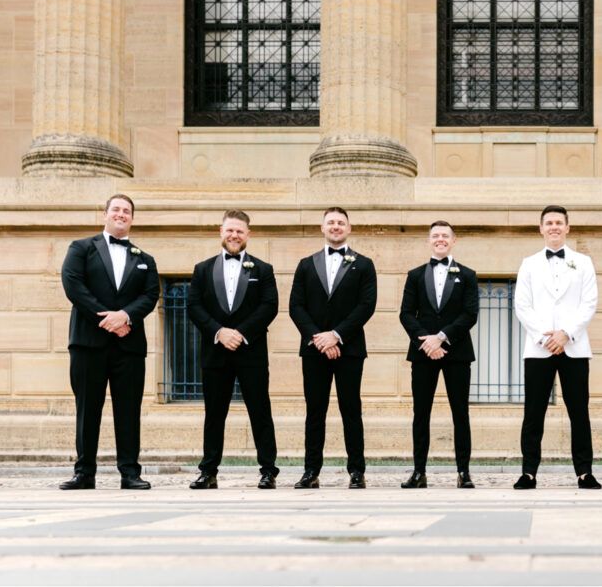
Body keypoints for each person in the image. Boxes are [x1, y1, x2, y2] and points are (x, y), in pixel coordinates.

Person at [59, 194, 160, 490]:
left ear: (132, 218)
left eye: (127, 211)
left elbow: (151, 295)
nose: (121, 214)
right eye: (116, 209)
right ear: (104, 214)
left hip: (128, 346)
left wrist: (126, 316)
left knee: (128, 410)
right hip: (88, 342)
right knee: (87, 408)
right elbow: (73, 284)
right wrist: (109, 320)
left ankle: (130, 472)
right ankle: (84, 472)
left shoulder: (146, 259)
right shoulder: (80, 248)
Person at [187, 210, 279, 489]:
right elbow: (194, 306)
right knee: (214, 414)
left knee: (260, 411)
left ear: (248, 234)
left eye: (240, 231)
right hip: (216, 352)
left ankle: (268, 471)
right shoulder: (202, 269)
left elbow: (269, 306)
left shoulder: (263, 269)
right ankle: (208, 471)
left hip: (251, 351)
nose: (234, 235)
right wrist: (219, 332)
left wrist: (240, 333)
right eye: (230, 230)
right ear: (221, 231)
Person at [512, 205, 600, 490]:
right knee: (533, 412)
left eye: (558, 223)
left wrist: (566, 334)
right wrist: (544, 337)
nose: (554, 227)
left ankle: (584, 472)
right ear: (541, 228)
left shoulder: (583, 262)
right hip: (539, 349)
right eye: (548, 223)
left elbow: (589, 303)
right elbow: (522, 305)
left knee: (579, 412)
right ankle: (528, 472)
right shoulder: (528, 263)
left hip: (574, 347)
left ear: (567, 228)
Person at [289, 207, 377, 489]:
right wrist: (319, 338)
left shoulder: (364, 264)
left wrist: (337, 336)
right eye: (331, 222)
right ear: (322, 228)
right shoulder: (305, 264)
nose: (336, 226)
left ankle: (357, 471)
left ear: (349, 228)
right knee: (315, 410)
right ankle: (311, 471)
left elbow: (366, 306)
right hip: (314, 349)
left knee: (351, 409)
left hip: (349, 349)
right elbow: (296, 306)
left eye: (341, 222)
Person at [398, 220, 479, 489]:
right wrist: (428, 342)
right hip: (423, 353)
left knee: (460, 413)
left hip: (457, 352)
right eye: (435, 236)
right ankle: (419, 472)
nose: (440, 239)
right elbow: (406, 314)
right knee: (421, 413)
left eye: (445, 235)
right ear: (429, 241)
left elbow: (470, 314)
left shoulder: (467, 275)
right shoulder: (415, 275)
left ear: (453, 241)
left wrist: (441, 338)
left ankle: (464, 472)